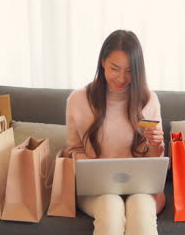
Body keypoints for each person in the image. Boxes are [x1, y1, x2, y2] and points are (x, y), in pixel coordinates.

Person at [66, 29, 165, 235]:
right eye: (115, 68)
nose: (121, 77)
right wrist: (98, 173)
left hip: (140, 189)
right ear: (102, 62)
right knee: (110, 206)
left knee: (141, 207)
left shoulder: (148, 101)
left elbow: (154, 162)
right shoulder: (78, 101)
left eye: (129, 71)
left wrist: (156, 145)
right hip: (95, 191)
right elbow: (73, 150)